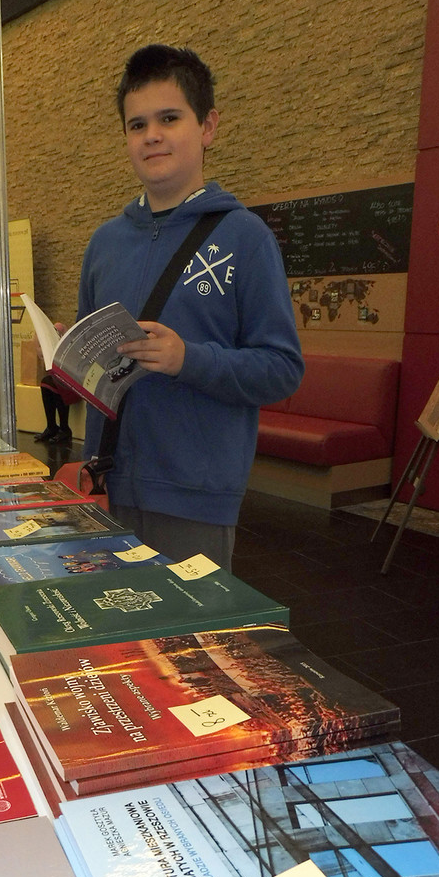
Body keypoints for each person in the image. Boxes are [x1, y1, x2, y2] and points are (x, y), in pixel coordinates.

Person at [78, 44, 303, 567]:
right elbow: (96, 375)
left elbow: (282, 369)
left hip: (195, 498)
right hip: (107, 485)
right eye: (137, 125)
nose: (151, 135)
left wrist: (188, 359)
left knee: (190, 622)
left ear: (207, 127)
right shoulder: (104, 244)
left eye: (169, 118)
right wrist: (71, 357)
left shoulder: (245, 237)